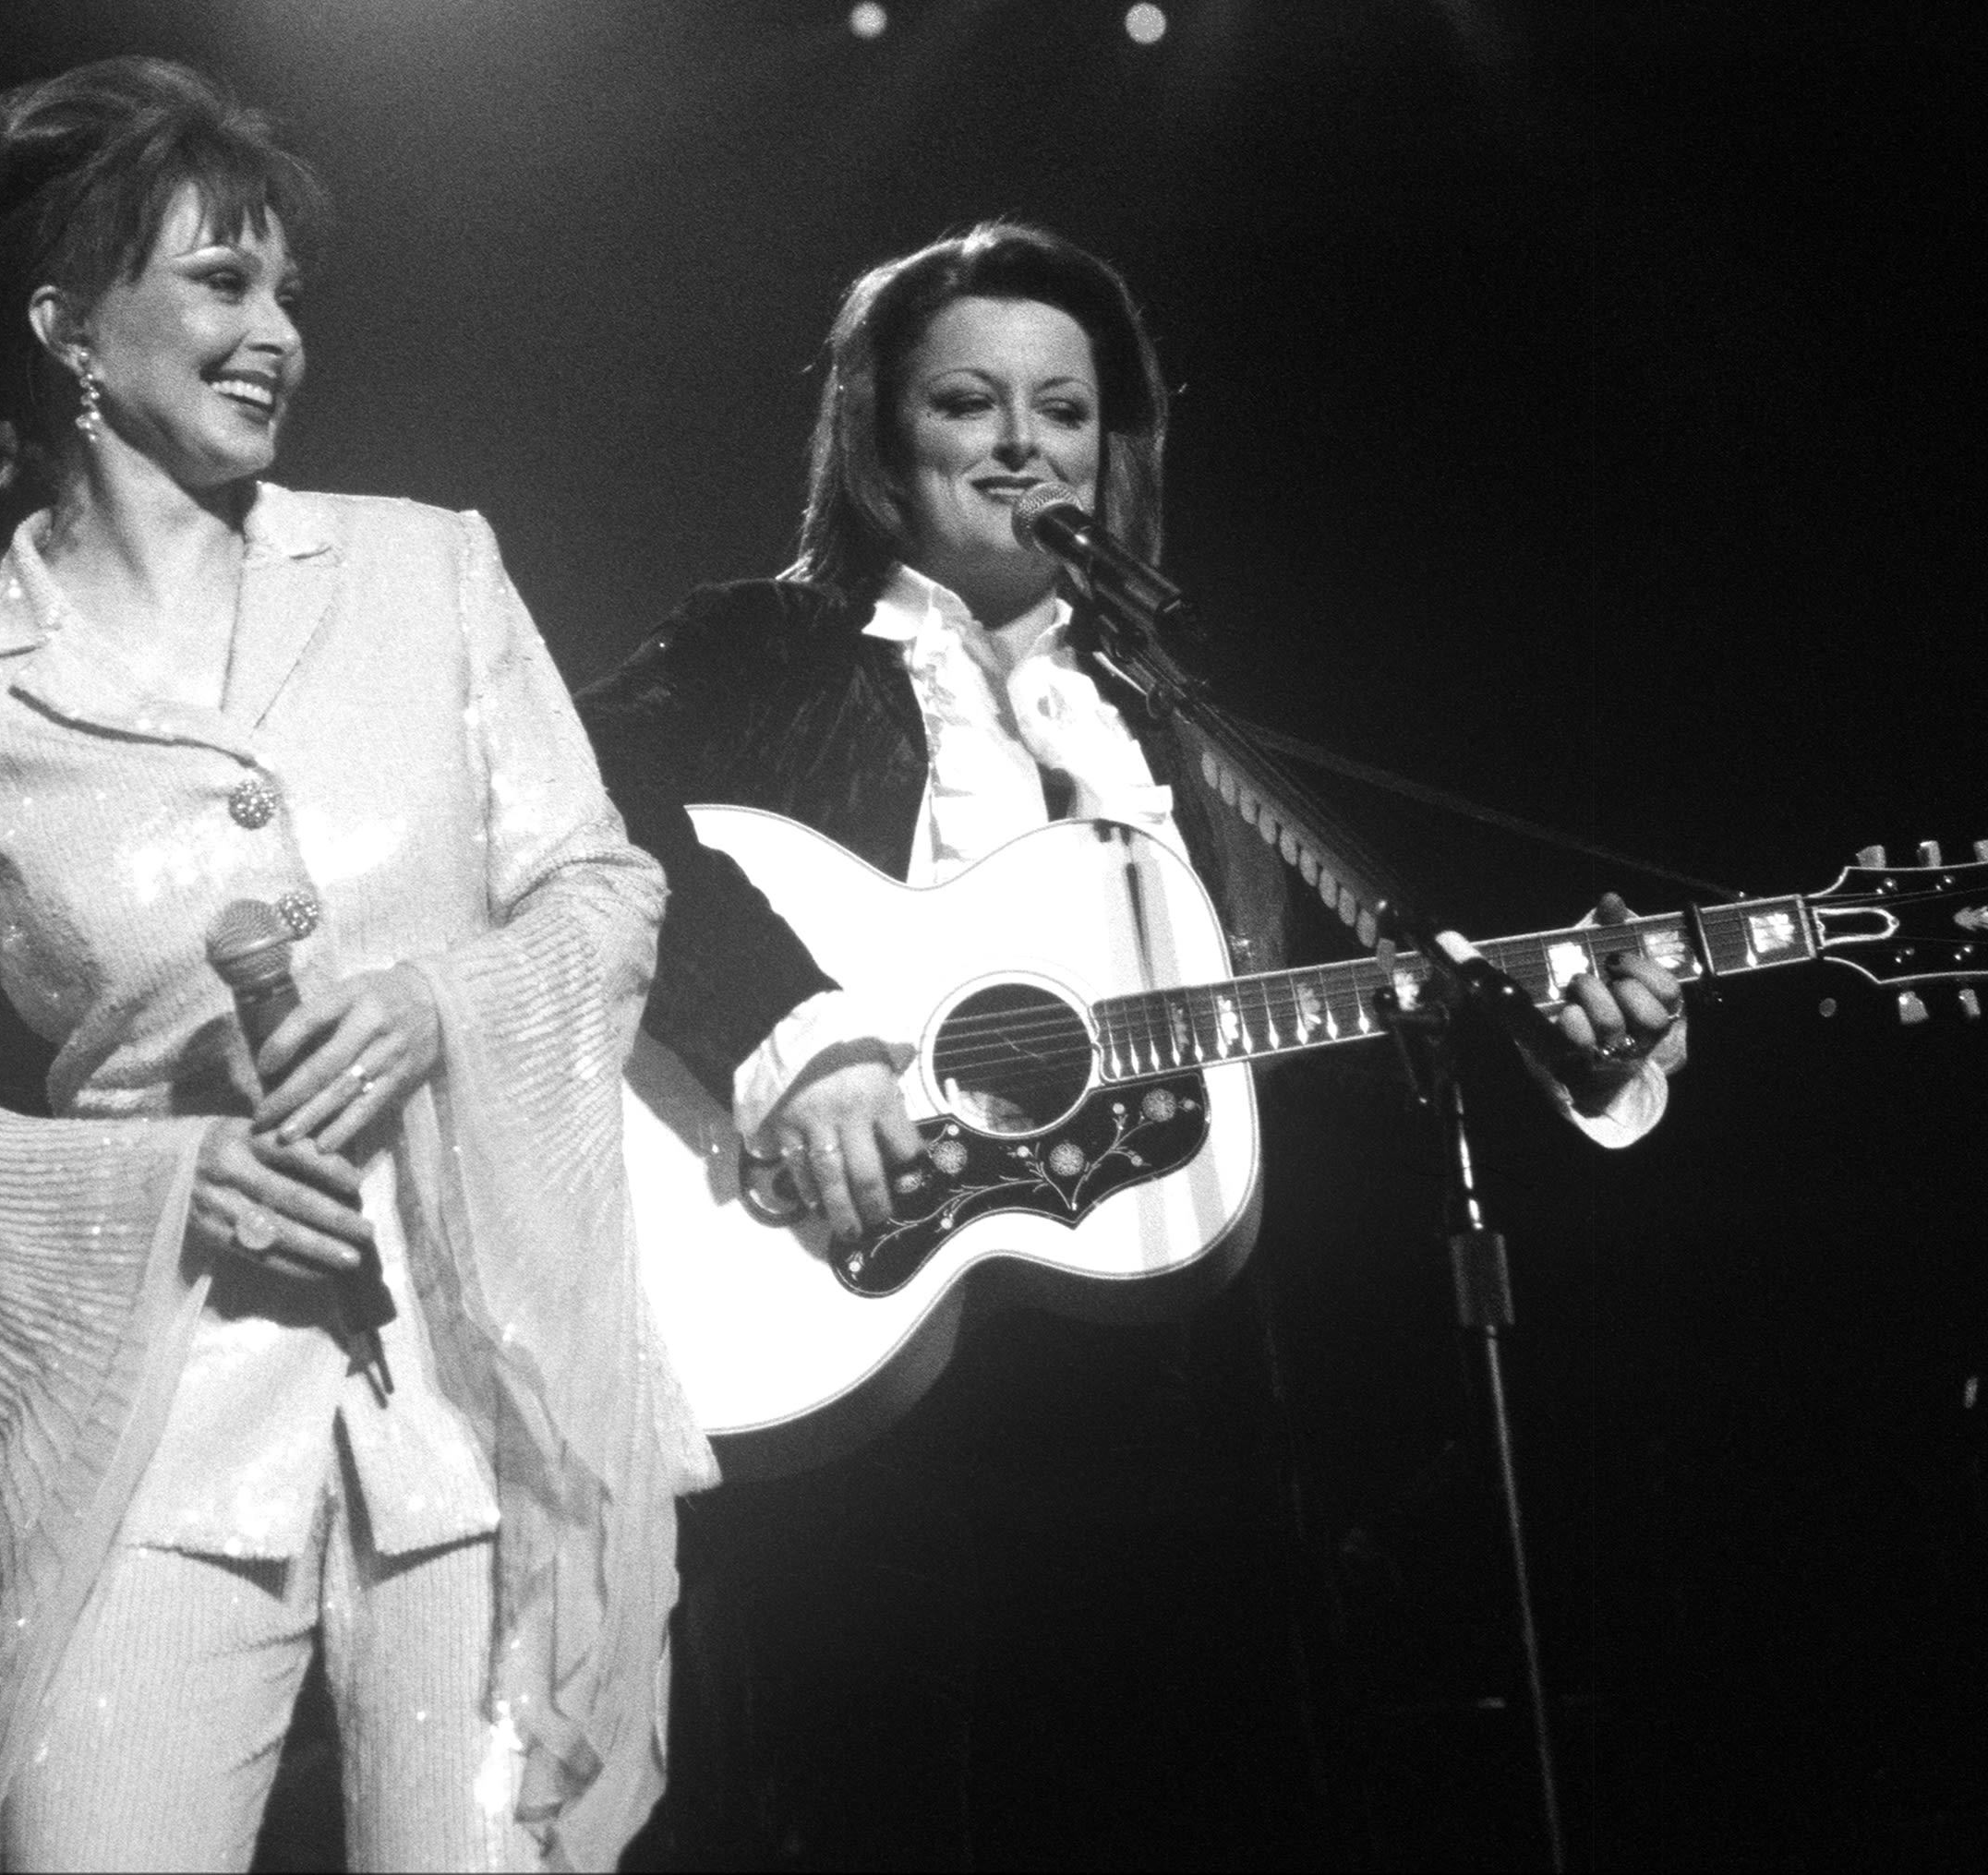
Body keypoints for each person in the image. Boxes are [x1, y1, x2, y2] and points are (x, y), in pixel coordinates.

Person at [574, 221, 1686, 1858]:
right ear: (883, 439)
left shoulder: (1180, 725)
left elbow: (1308, 1054)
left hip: (1182, 1410)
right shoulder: (760, 651)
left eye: (1068, 411)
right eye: (969, 403)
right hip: (861, 1350)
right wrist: (803, 1043)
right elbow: (565, 817)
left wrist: (1576, 1047)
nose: (1025, 446)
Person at [0, 58, 711, 1873]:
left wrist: (431, 1004)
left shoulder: (429, 574)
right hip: (142, 1441)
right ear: (68, 324)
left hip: (493, 1412)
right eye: (224, 281)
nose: (277, 331)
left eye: (286, 287)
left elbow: (602, 890)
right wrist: (161, 1181)